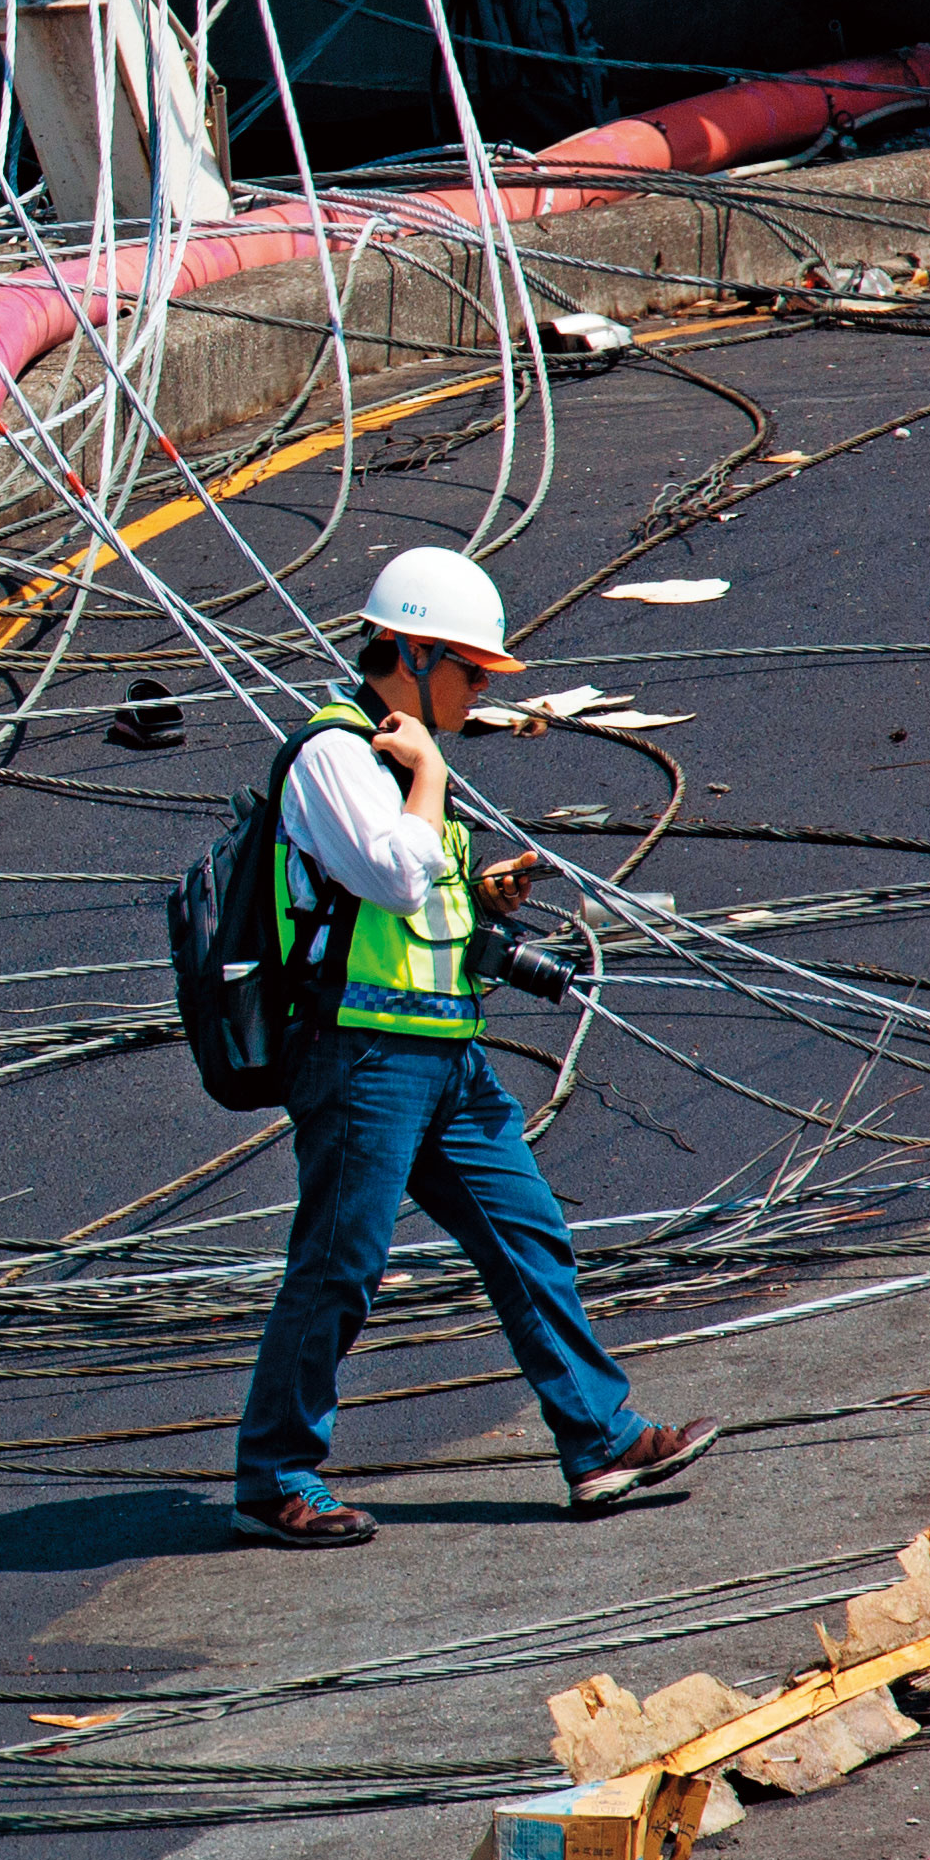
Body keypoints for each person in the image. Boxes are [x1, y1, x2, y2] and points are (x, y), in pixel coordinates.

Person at [229, 547, 720, 1546]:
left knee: (526, 1231)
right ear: (408, 652)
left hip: (443, 1053)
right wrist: (433, 780)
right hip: (363, 1059)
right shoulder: (335, 755)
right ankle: (274, 1475)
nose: (477, 692)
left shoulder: (395, 761)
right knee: (341, 1264)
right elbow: (395, 876)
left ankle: (600, 1441)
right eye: (467, 671)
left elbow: (413, 903)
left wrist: (481, 896)